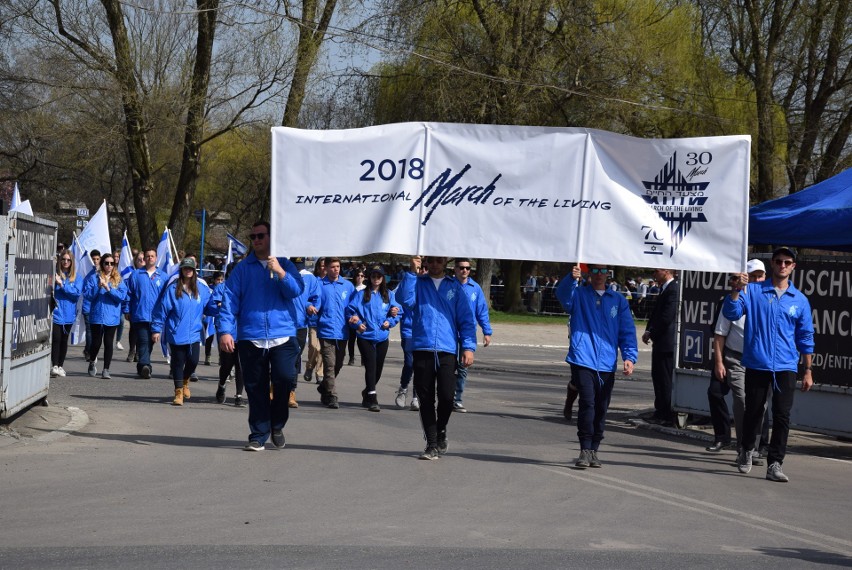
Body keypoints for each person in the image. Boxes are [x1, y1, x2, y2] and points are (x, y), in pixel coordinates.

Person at [723, 247, 814, 482]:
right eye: (778, 261)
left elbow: (805, 337)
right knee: (754, 411)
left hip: (786, 365)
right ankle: (746, 450)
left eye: (787, 262)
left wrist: (808, 370)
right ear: (772, 264)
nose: (782, 265)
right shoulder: (753, 291)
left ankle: (775, 463)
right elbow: (732, 312)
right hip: (758, 362)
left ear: (793, 266)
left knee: (782, 416)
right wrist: (736, 289)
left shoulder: (800, 300)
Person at [217, 222, 304, 451]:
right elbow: (229, 301)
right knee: (256, 388)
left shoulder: (285, 264)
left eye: (260, 235)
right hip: (251, 336)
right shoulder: (243, 269)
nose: (255, 239)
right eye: (252, 236)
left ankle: (277, 423)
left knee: (285, 379)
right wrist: (226, 330)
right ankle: (258, 434)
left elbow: (296, 291)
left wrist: (280, 272)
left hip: (283, 335)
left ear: (270, 237)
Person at [556, 264, 637, 468]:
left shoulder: (618, 300)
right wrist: (570, 278)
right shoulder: (580, 294)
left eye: (603, 271)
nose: (600, 275)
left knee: (601, 407)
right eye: (596, 270)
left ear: (608, 274)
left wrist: (629, 357)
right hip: (583, 358)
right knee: (588, 403)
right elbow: (563, 297)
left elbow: (626, 331)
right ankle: (584, 448)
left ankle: (594, 449)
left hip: (607, 363)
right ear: (589, 272)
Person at [397, 256, 477, 460]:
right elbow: (404, 300)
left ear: (445, 263)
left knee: (448, 397)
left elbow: (466, 320)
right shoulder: (417, 283)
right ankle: (431, 444)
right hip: (423, 347)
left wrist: (468, 347)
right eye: (430, 261)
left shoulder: (455, 287)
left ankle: (441, 429)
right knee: (425, 398)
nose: (434, 265)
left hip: (446, 348)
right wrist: (411, 273)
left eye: (439, 261)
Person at [706, 259, 767, 457]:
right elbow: (720, 333)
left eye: (761, 275)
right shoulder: (733, 300)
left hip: (760, 360)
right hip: (737, 358)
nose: (757, 279)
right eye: (753, 276)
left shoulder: (770, 300)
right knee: (741, 400)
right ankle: (743, 447)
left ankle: (756, 446)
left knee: (760, 404)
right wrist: (719, 362)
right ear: (745, 278)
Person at [151, 258, 217, 405]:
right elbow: (161, 310)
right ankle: (178, 392)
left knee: (193, 361)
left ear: (194, 271)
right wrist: (156, 329)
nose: (188, 270)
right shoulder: (173, 289)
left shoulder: (201, 289)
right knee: (178, 363)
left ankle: (185, 381)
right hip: (176, 332)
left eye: (190, 268)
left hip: (194, 332)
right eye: (185, 268)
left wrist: (220, 307)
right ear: (181, 270)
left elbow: (209, 306)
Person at [345, 266, 401, 411]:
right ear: (369, 278)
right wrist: (357, 324)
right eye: (373, 276)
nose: (376, 279)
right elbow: (350, 311)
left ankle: (367, 392)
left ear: (383, 278)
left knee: (378, 369)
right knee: (370, 366)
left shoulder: (388, 294)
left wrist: (391, 321)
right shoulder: (361, 294)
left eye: (379, 276)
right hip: (365, 336)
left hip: (382, 336)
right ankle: (373, 397)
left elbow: (397, 312)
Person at [311, 257, 355, 409]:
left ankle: (324, 387)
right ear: (326, 268)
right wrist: (312, 311)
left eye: (338, 266)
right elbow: (314, 302)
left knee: (338, 364)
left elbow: (354, 306)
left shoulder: (348, 286)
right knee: (329, 365)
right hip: (326, 330)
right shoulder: (320, 285)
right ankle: (332, 395)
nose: (336, 269)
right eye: (333, 267)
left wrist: (355, 317)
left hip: (343, 331)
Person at [451, 258, 492, 412]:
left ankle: (457, 399)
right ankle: (445, 395)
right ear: (455, 269)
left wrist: (486, 331)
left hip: (467, 334)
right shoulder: (449, 285)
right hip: (449, 333)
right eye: (461, 268)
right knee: (447, 366)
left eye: (468, 268)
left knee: (463, 367)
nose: (465, 271)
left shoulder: (475, 288)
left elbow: (482, 311)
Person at [642, 267, 679, 426]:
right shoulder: (665, 289)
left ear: (666, 271)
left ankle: (666, 414)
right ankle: (660, 411)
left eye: (656, 271)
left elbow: (666, 317)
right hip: (660, 342)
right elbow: (656, 314)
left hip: (667, 342)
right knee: (658, 377)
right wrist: (648, 329)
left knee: (665, 379)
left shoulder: (673, 289)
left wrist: (653, 333)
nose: (654, 274)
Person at [83, 253, 129, 379]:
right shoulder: (94, 278)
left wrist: (108, 288)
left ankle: (106, 369)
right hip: (97, 316)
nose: (109, 265)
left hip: (112, 317)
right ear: (102, 264)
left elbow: (121, 297)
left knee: (108, 343)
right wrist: (98, 286)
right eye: (106, 263)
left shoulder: (118, 280)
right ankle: (92, 361)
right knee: (96, 343)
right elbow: (88, 296)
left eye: (112, 263)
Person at [127, 249, 167, 379]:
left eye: (152, 256)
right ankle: (145, 365)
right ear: (144, 258)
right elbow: (129, 294)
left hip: (157, 316)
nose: (150, 258)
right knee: (144, 340)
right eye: (147, 256)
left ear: (156, 258)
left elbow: (166, 297)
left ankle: (142, 366)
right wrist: (126, 309)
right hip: (140, 314)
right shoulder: (136, 274)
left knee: (150, 342)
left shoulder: (163, 276)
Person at [289, 256, 320, 409]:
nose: (298, 268)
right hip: (282, 324)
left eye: (300, 266)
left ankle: (291, 392)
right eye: (295, 265)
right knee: (278, 358)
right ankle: (274, 388)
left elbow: (316, 298)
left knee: (295, 357)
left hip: (300, 324)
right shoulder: (283, 274)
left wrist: (310, 306)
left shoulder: (310, 278)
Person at [51, 250, 81, 377]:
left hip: (69, 314)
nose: (66, 262)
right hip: (57, 312)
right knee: (56, 339)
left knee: (64, 340)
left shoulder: (77, 277)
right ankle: (55, 365)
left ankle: (61, 365)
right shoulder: (54, 275)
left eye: (68, 260)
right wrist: (56, 282)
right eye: (63, 259)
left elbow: (76, 293)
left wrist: (62, 285)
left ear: (72, 262)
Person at [303, 258, 326, 384]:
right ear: (317, 267)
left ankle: (319, 372)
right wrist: (309, 306)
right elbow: (304, 297)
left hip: (326, 320)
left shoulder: (330, 282)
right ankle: (310, 366)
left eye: (325, 266)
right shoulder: (313, 280)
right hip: (313, 319)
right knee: (313, 347)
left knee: (322, 349)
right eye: (321, 266)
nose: (323, 268)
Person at [125, 251, 146, 363]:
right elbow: (128, 293)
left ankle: (139, 352)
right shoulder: (133, 275)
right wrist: (127, 309)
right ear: (135, 261)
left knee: (143, 332)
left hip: (146, 310)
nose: (142, 261)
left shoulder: (150, 275)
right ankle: (132, 350)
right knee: (134, 330)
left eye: (143, 259)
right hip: (135, 308)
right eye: (139, 259)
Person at [82, 249, 101, 364]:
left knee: (96, 333)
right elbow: (86, 293)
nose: (95, 261)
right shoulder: (89, 276)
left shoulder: (104, 273)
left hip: (98, 308)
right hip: (88, 307)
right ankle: (89, 352)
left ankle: (89, 349)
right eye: (93, 259)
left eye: (97, 259)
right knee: (89, 331)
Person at [346, 270, 367, 366]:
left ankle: (363, 358)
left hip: (362, 319)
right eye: (358, 275)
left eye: (362, 275)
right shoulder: (351, 288)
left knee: (361, 340)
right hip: (352, 318)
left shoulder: (366, 289)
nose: (360, 277)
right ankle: (351, 358)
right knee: (351, 339)